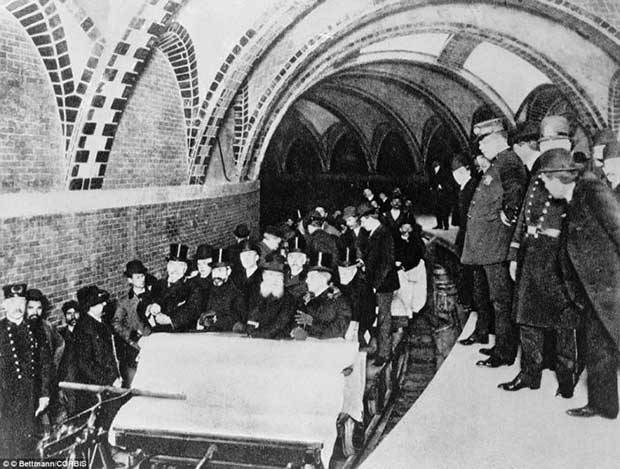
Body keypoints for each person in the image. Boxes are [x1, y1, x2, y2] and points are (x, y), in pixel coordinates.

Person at [538, 148, 620, 419]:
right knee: (598, 347)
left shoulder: (592, 190)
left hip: (612, 287)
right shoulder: (573, 198)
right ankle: (603, 405)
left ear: (559, 177)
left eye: (546, 180)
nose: (544, 187)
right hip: (593, 291)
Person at [499, 148, 580, 397]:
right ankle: (529, 374)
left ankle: (567, 379)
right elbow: (523, 219)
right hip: (531, 254)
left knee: (564, 321)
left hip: (557, 257)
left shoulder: (567, 183)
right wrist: (514, 255)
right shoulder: (537, 179)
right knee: (526, 319)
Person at [461, 118, 528, 367]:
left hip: (497, 245)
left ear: (497, 138)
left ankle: (505, 352)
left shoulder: (508, 161)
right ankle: (499, 345)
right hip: (488, 245)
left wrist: (508, 214)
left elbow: (515, 191)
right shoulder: (499, 161)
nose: (481, 149)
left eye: (484, 142)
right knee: (495, 298)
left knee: (501, 300)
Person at [0, 284, 50, 458]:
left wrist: (44, 394)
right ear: (4, 305)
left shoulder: (35, 329)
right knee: (8, 449)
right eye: (12, 302)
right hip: (5, 403)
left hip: (31, 400)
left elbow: (45, 364)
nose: (17, 307)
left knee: (31, 448)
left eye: (21, 301)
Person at [358, 202, 400, 366]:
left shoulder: (383, 233)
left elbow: (386, 263)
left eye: (362, 222)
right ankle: (380, 349)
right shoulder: (376, 233)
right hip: (378, 282)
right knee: (379, 317)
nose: (362, 225)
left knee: (383, 318)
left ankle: (385, 353)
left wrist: (375, 284)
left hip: (384, 284)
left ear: (369, 218)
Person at [74, 285, 121, 416]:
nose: (105, 304)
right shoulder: (84, 329)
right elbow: (85, 364)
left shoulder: (101, 323)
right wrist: (110, 380)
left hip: (109, 384)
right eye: (100, 303)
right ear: (90, 307)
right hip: (96, 389)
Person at [25, 289, 64, 428]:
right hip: (28, 389)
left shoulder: (47, 327)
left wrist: (53, 367)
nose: (35, 312)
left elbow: (60, 345)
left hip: (45, 386)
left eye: (39, 308)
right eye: (30, 308)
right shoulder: (20, 329)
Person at [291, 252, 351, 340]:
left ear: (323, 278)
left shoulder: (340, 301)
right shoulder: (307, 300)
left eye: (311, 277)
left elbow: (339, 330)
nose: (307, 281)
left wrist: (312, 322)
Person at [112, 260, 154, 388]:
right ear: (130, 280)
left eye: (142, 276)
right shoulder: (124, 302)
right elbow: (116, 323)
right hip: (134, 348)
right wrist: (131, 335)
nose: (141, 280)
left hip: (154, 344)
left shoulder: (154, 296)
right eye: (137, 277)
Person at [147, 244, 201, 332]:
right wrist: (150, 307)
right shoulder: (158, 285)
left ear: (185, 269)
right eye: (172, 265)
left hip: (181, 334)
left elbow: (193, 310)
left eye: (179, 266)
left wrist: (170, 320)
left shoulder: (192, 287)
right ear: (167, 267)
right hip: (158, 334)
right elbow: (148, 301)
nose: (175, 270)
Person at [197, 249, 246, 332]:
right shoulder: (205, 290)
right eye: (214, 270)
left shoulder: (237, 294)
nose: (216, 275)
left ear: (229, 271)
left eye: (220, 270)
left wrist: (215, 320)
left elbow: (237, 319)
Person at [247, 259, 297, 339]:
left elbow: (279, 325)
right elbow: (251, 319)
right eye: (270, 275)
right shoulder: (257, 294)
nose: (274, 279)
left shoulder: (289, 299)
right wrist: (250, 331)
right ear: (264, 276)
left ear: (283, 279)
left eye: (279, 276)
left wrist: (255, 334)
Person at [338, 247, 376, 346]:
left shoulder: (362, 283)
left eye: (349, 267)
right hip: (340, 322)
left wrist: (355, 326)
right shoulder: (337, 277)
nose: (346, 270)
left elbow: (368, 312)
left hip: (360, 326)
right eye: (343, 267)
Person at [58, 300, 80, 416]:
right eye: (69, 313)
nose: (73, 316)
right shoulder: (60, 336)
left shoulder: (84, 333)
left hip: (84, 378)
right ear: (65, 316)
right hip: (69, 380)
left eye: (76, 313)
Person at [232, 240, 263, 314]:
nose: (246, 258)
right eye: (243, 255)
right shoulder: (235, 277)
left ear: (256, 257)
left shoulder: (264, 277)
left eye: (249, 255)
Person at [430, 160, 453, 230]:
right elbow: (432, 181)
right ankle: (439, 225)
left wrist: (442, 186)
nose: (434, 163)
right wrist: (432, 187)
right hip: (436, 193)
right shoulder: (433, 171)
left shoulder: (444, 171)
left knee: (444, 210)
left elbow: (448, 181)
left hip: (443, 193)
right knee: (437, 209)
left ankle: (446, 225)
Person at [285, 236, 309, 300]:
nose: (294, 260)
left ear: (304, 259)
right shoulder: (281, 275)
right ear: (287, 259)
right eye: (291, 257)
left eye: (298, 257)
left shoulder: (308, 278)